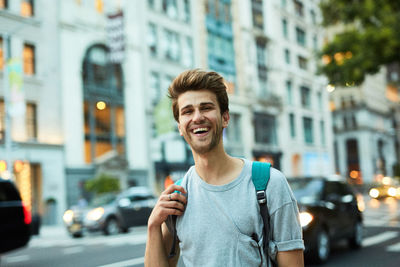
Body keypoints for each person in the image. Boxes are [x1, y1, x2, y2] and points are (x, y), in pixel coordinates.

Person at [145, 69, 304, 266]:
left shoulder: (270, 183)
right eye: (187, 111)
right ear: (180, 126)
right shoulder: (178, 197)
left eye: (206, 108)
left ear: (225, 118)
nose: (197, 118)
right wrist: (153, 226)